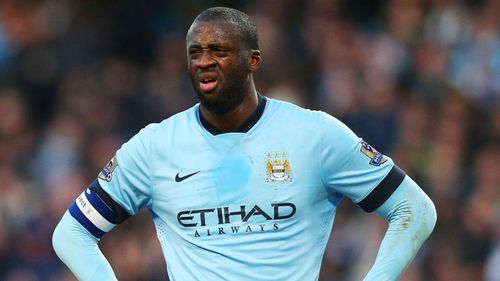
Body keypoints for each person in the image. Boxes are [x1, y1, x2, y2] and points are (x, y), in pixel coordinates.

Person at [52, 7, 437, 281]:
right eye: (195, 53)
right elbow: (71, 233)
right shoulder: (155, 147)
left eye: (218, 51)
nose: (204, 62)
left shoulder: (314, 135)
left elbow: (414, 209)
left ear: (253, 60)